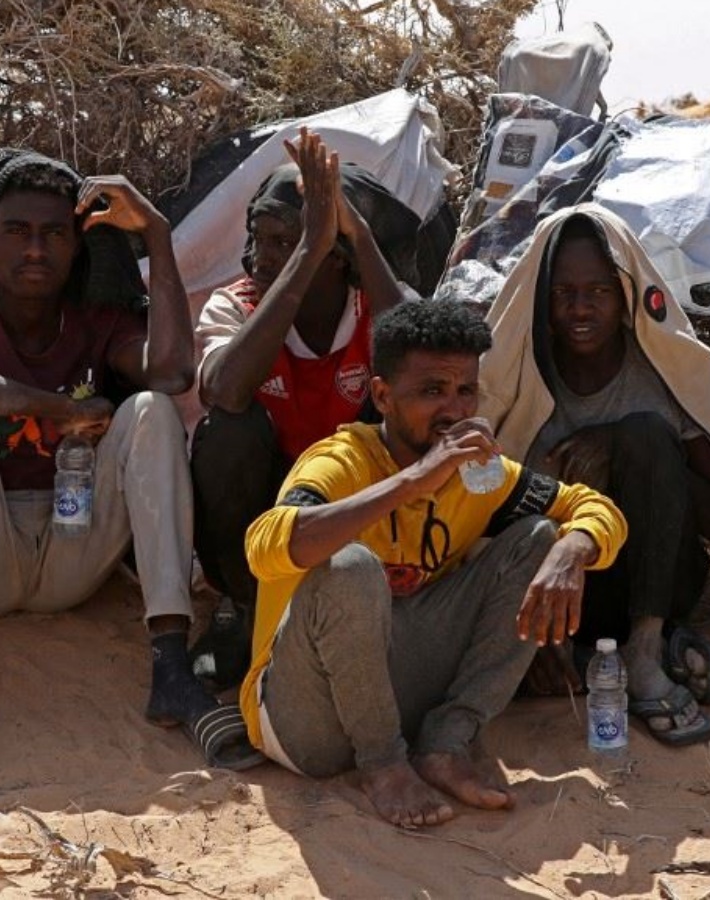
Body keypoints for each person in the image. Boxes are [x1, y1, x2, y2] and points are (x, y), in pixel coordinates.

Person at [0, 149, 260, 779]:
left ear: (78, 247)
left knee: (151, 412)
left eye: (54, 234)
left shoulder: (95, 317)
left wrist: (156, 234)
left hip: (72, 549)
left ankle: (171, 669)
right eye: (17, 231)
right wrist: (50, 406)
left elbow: (172, 372)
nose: (35, 249)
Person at [240, 300, 628, 827]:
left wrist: (575, 547)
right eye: (431, 391)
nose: (453, 409)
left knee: (539, 537)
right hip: (307, 725)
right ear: (381, 396)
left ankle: (446, 745)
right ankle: (383, 767)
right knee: (350, 567)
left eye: (465, 390)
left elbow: (594, 507)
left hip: (397, 693)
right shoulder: (340, 460)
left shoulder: (478, 471)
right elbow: (263, 547)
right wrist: (413, 481)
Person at [478, 204, 710, 745]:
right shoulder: (522, 374)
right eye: (563, 294)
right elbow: (483, 517)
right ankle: (583, 655)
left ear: (623, 297)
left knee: (644, 432)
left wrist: (621, 449)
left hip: (658, 579)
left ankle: (646, 649)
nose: (580, 309)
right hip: (558, 592)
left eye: (597, 291)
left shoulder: (664, 371)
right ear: (542, 301)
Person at [190, 127, 420, 686]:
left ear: (338, 255)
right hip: (266, 518)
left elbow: (420, 364)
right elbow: (224, 390)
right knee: (227, 429)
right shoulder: (238, 303)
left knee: (403, 411)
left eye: (282, 241)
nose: (258, 258)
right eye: (257, 238)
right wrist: (304, 255)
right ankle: (244, 609)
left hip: (353, 511)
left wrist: (351, 232)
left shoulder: (377, 305)